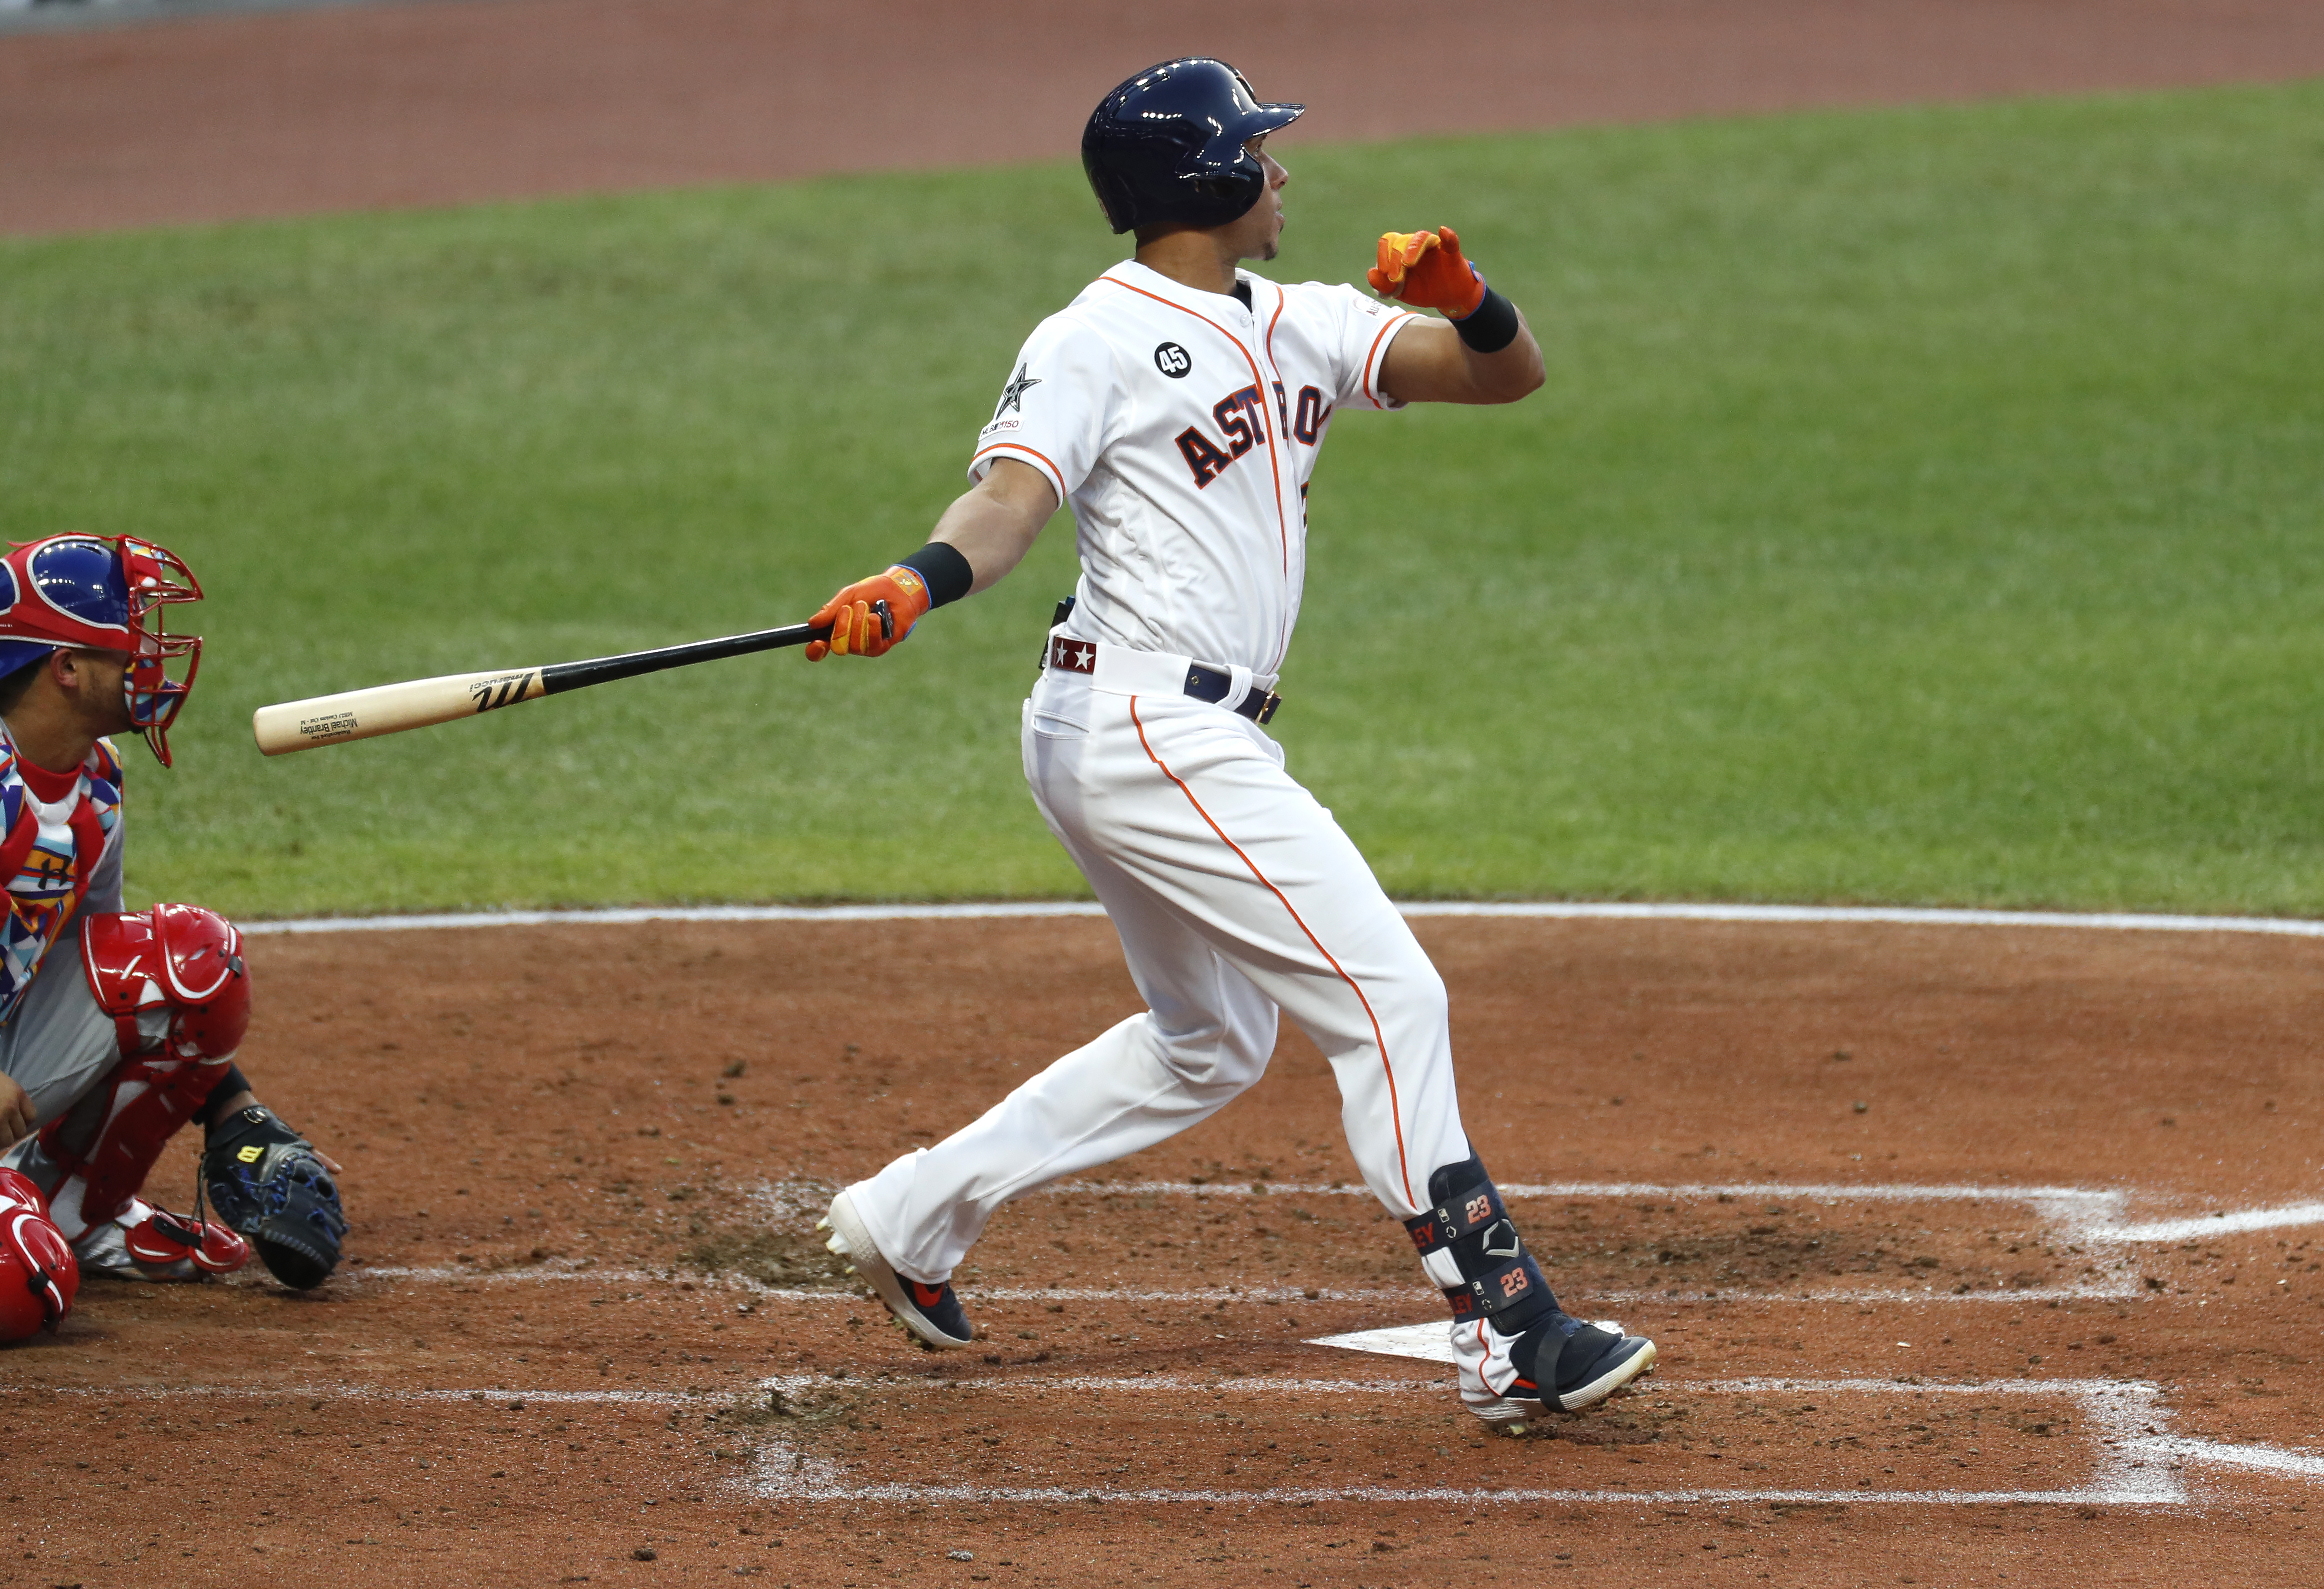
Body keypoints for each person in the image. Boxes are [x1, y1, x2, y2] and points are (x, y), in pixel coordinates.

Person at [804, 58, 1655, 1430]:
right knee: (1390, 1003)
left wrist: (1463, 296)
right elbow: (1008, 506)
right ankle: (1508, 1331)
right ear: (1206, 181)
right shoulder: (1088, 338)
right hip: (1144, 727)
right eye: (1258, 152)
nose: (1281, 172)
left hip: (1157, 728)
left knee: (1206, 1044)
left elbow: (1504, 377)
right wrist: (913, 580)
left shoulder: (1301, 320)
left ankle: (909, 1216)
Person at [0, 533, 345, 1343]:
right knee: (20, 1288)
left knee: (196, 963)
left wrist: (235, 1112)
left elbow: (96, 961)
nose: (152, 661)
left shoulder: (98, 785)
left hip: (14, 1062)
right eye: (130, 642)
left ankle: (79, 1215)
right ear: (67, 668)